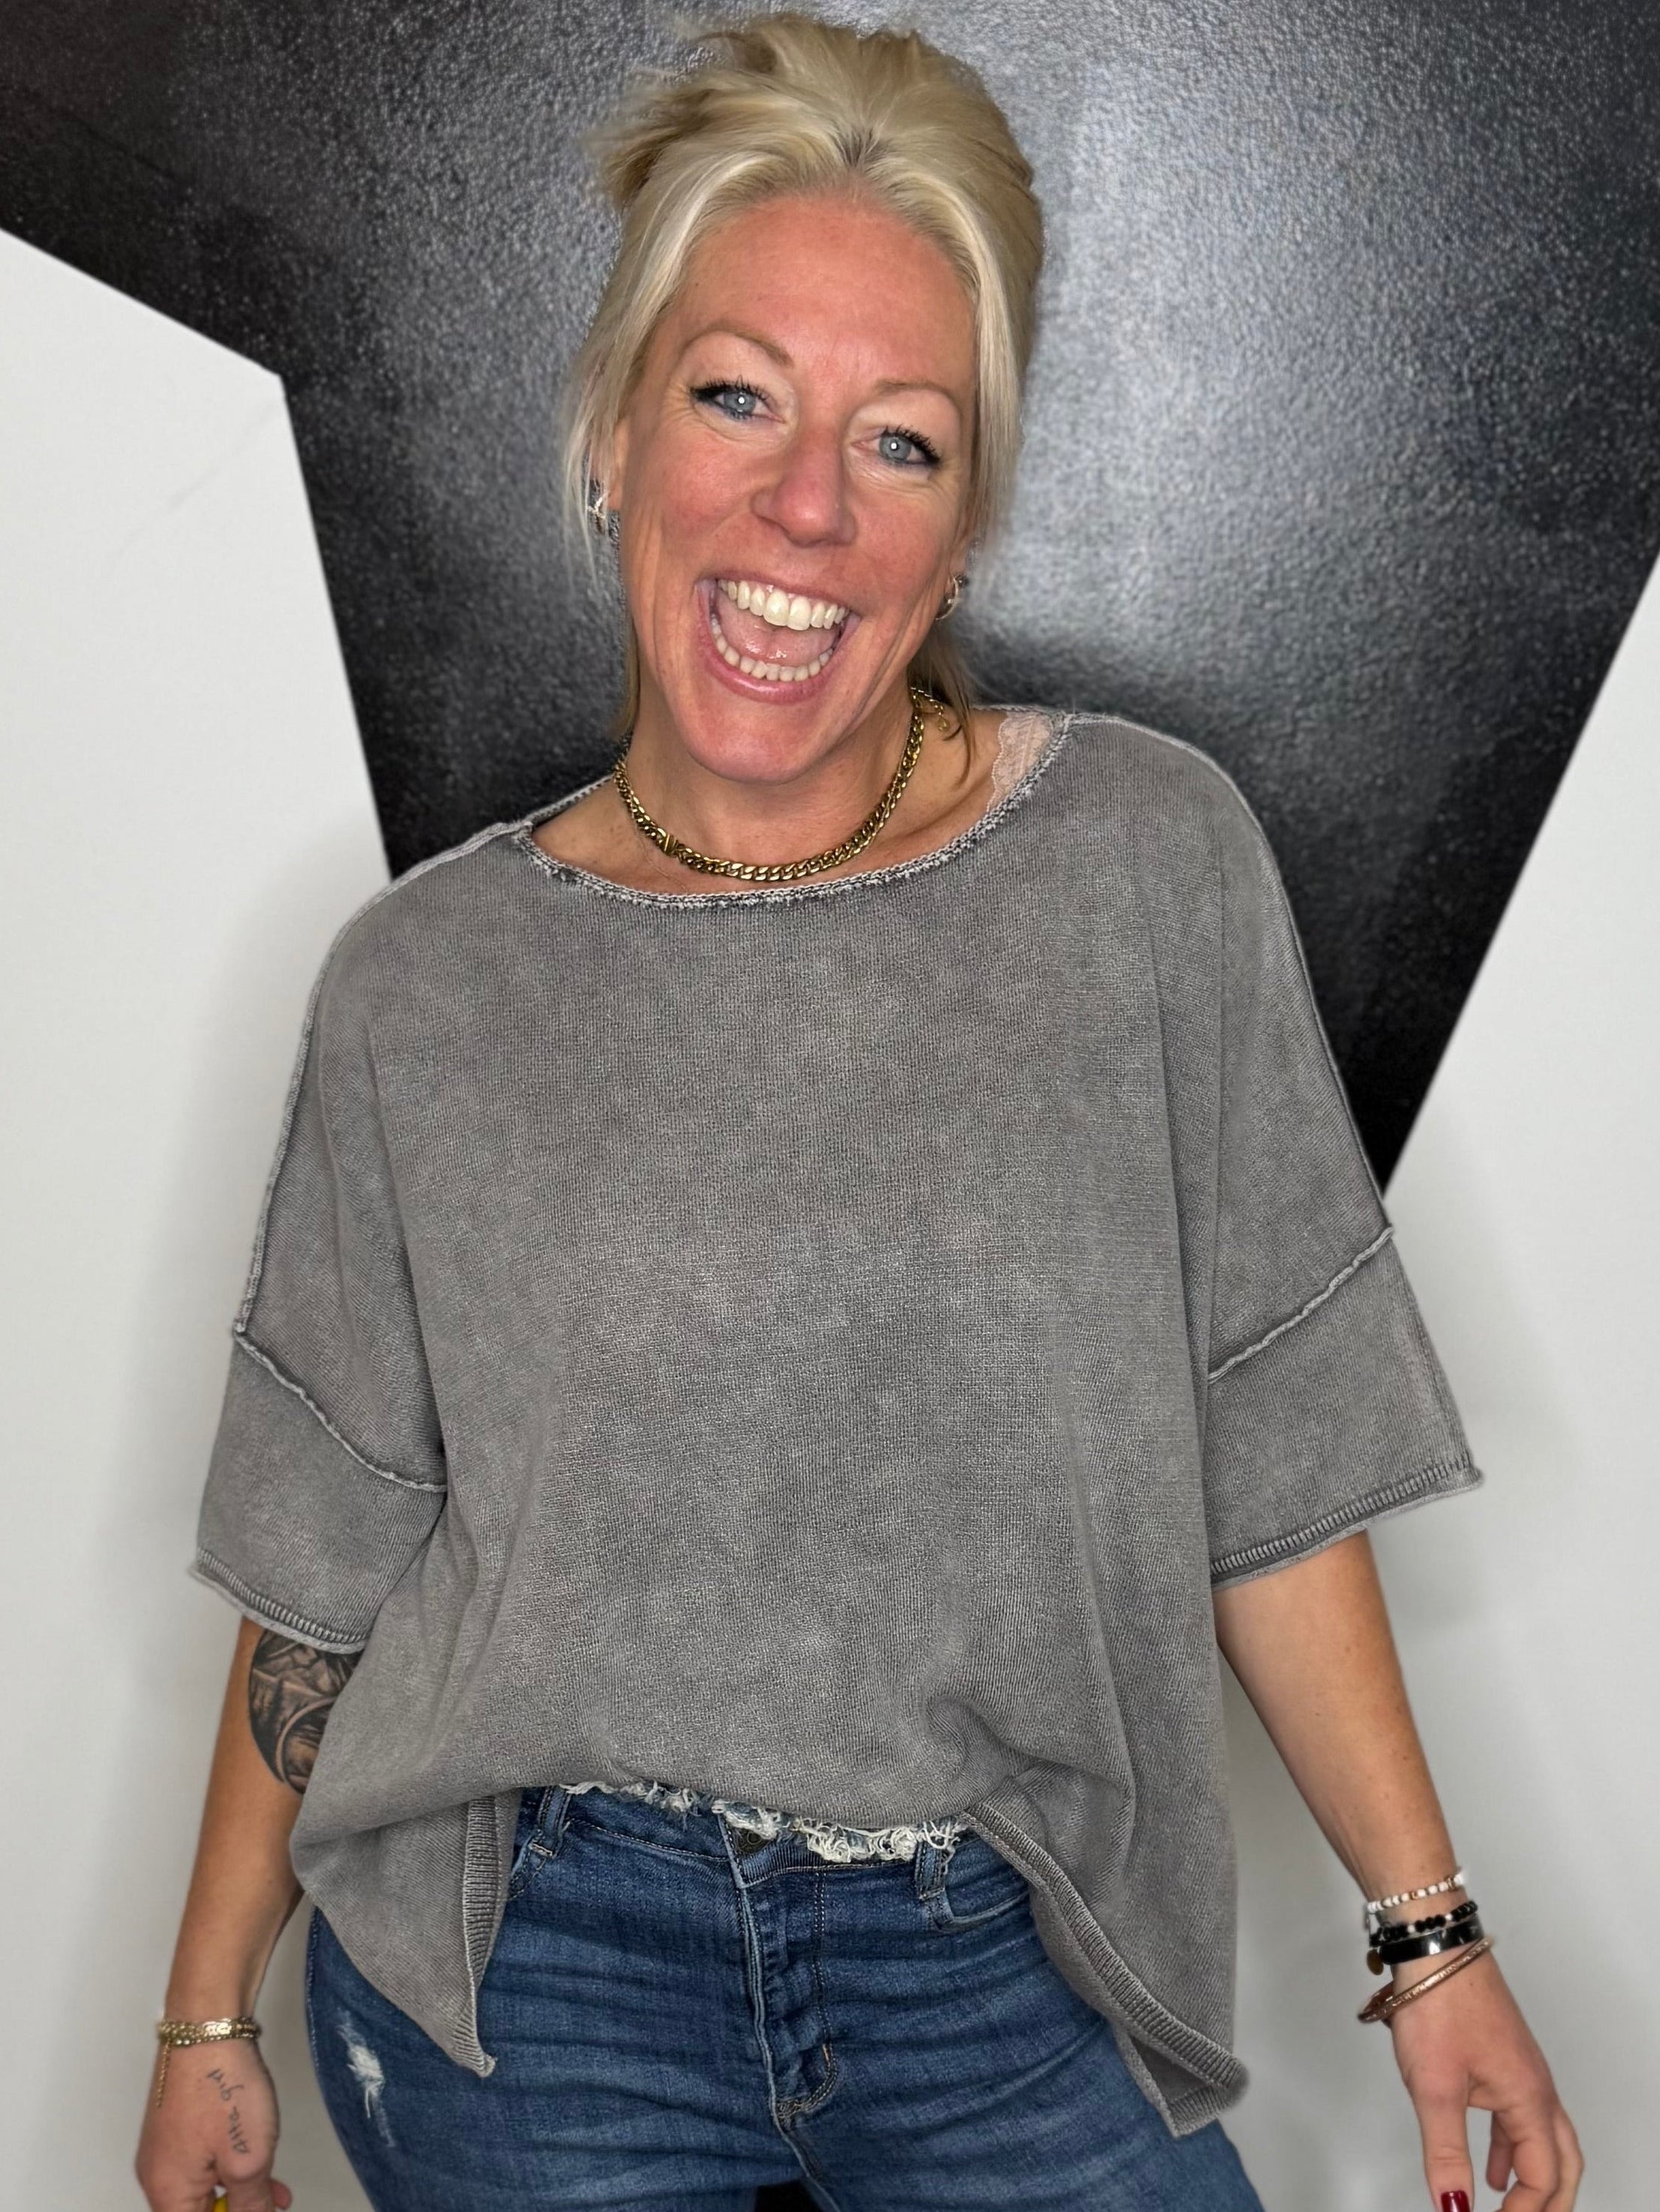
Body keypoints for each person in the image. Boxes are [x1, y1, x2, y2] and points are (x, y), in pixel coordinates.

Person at [135, 14, 1582, 2212]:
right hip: (534, 1977)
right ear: (616, 432)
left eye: (899, 442)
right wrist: (208, 2014)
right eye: (735, 396)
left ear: (967, 517)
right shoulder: (420, 988)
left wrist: (1429, 1937)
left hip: (999, 1954)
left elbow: (1270, 1466)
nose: (804, 505)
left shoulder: (1144, 864)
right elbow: (321, 1571)